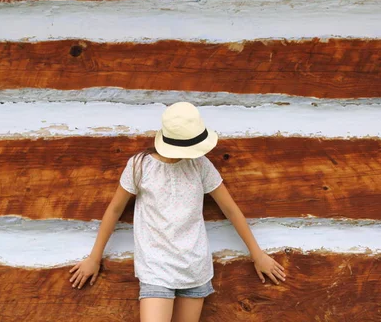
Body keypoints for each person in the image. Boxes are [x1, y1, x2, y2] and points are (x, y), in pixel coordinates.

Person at [69, 101, 286, 321]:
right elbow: (114, 210)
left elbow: (230, 209)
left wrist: (257, 254)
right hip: (156, 269)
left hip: (194, 268)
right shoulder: (140, 166)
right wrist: (94, 258)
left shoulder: (200, 166)